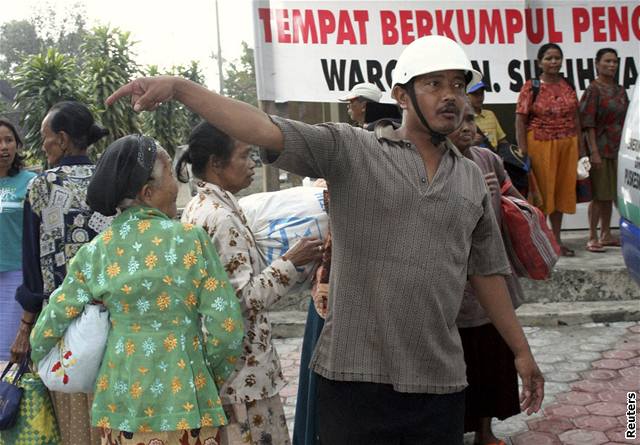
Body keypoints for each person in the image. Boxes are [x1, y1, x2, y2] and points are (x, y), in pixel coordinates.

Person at [107, 34, 545, 444]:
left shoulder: (471, 178)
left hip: (441, 379)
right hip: (354, 378)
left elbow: (487, 271)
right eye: (433, 83)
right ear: (401, 95)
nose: (450, 95)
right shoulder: (352, 150)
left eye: (457, 84)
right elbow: (263, 128)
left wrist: (521, 352)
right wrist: (182, 88)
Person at [30, 134, 244, 445]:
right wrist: (206, 377)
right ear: (147, 192)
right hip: (188, 403)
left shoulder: (95, 252)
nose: (177, 184)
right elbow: (227, 330)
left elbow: (44, 332)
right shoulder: (190, 241)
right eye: (171, 174)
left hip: (120, 406)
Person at [177, 122, 323, 445]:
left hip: (222, 367)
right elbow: (243, 299)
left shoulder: (197, 207)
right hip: (244, 375)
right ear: (216, 163)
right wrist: (291, 261)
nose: (253, 163)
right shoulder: (223, 218)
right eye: (245, 155)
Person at [11, 101, 109, 445]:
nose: (43, 144)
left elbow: (33, 267)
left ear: (63, 139)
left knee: (73, 423)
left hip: (63, 323)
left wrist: (25, 327)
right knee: (108, 412)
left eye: (45, 137)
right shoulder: (108, 179)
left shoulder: (42, 185)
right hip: (112, 319)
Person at [451, 100, 525, 445]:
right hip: (452, 289)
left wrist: (502, 197)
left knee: (490, 363)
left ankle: (485, 432)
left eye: (472, 120)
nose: (468, 128)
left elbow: (516, 203)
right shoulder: (436, 163)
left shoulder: (489, 159)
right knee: (457, 367)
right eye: (460, 121)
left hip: (489, 285)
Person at [515, 43, 586, 257]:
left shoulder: (568, 84)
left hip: (568, 144)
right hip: (540, 145)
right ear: (540, 62)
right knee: (542, 196)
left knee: (561, 193)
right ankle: (541, 242)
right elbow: (520, 118)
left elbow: (576, 118)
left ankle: (556, 240)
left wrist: (581, 149)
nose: (553, 62)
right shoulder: (532, 86)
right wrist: (523, 150)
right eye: (548, 58)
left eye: (557, 58)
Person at [579, 48, 630, 253]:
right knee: (599, 195)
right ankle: (592, 236)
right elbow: (588, 123)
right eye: (607, 61)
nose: (612, 65)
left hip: (619, 149)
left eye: (615, 61)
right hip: (600, 148)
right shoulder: (593, 90)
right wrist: (594, 152)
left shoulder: (620, 90)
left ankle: (607, 234)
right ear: (597, 64)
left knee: (611, 194)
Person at [0, 118, 36, 361]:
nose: (4, 146)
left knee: (9, 354)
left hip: (16, 277)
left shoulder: (31, 182)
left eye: (8, 140)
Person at [468, 81, 508, 150]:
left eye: (481, 93)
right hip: (474, 158)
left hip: (494, 158)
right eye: (475, 94)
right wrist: (471, 143)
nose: (480, 97)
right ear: (466, 95)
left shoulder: (490, 114)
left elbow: (502, 140)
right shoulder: (462, 119)